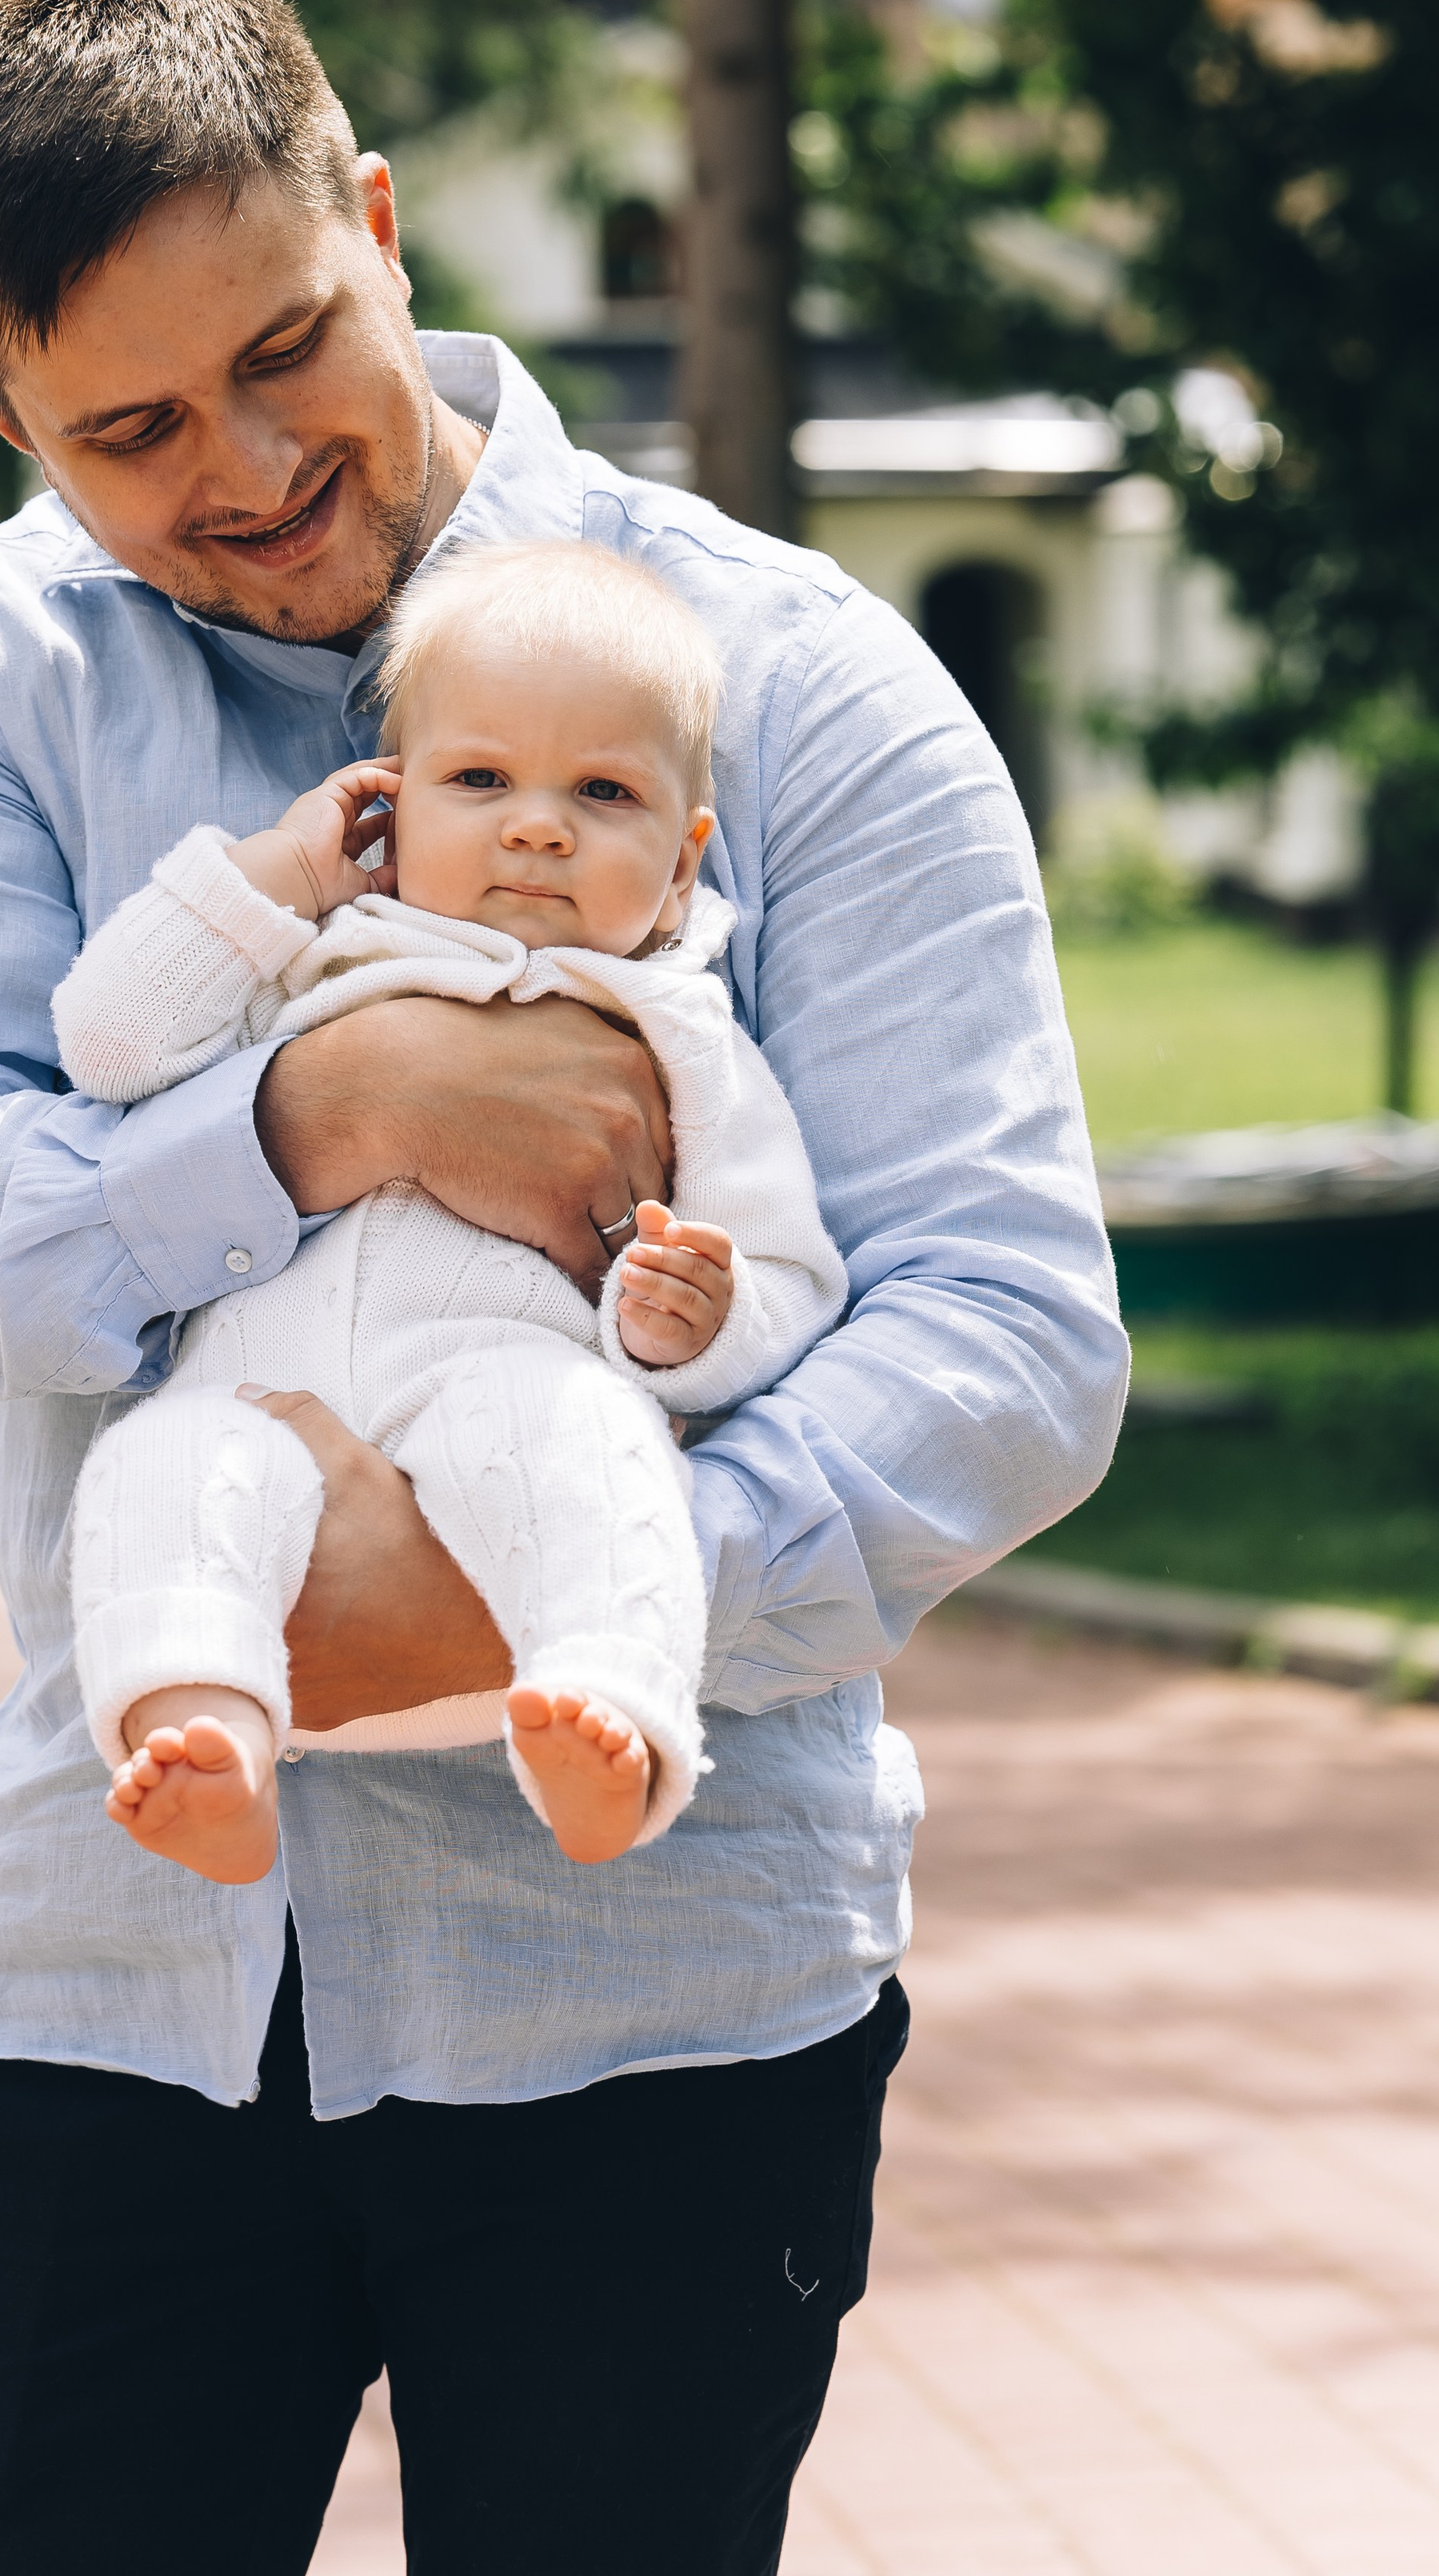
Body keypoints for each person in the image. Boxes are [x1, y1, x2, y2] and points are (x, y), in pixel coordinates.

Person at [0, 0, 1127, 2574]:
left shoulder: (792, 688)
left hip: (665, 1990)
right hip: (108, 1974)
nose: (251, 466)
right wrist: (310, 1114)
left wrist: (527, 1600)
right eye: (131, 428)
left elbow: (1008, 1330)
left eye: (290, 349)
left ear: (375, 217)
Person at [60, 540, 848, 1876]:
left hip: (503, 1413)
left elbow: (788, 1273)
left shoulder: (681, 1035)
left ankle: (609, 1718)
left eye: (603, 792)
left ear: (681, 862)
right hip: (257, 1410)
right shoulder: (313, 963)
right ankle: (208, 1737)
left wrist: (694, 1320)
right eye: (478, 779)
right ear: (389, 803)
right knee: (156, 1467)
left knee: (591, 1439)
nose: (536, 825)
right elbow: (111, 1043)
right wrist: (278, 875)